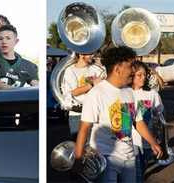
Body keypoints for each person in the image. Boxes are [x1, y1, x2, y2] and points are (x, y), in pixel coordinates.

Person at [72, 46, 161, 182]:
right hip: (105, 157)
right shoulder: (97, 93)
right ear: (117, 69)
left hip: (129, 158)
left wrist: (153, 142)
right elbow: (84, 128)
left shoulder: (129, 91)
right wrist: (78, 159)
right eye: (130, 66)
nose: (133, 70)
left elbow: (137, 121)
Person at [128, 62, 164, 182]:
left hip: (147, 140)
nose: (143, 77)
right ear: (131, 75)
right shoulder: (126, 92)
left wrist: (160, 138)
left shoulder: (152, 93)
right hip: (131, 139)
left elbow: (161, 114)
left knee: (142, 172)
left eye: (144, 75)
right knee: (136, 173)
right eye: (139, 75)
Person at [62, 52, 102, 141]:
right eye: (90, 54)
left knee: (95, 145)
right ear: (80, 54)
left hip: (94, 112)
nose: (93, 56)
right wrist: (92, 84)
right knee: (78, 145)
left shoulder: (95, 68)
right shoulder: (70, 70)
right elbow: (73, 92)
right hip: (77, 114)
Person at [0, 24, 39, 89]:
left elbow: (37, 86)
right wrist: (17, 92)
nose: (4, 42)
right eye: (0, 39)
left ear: (16, 41)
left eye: (8, 38)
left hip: (17, 99)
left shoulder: (28, 66)